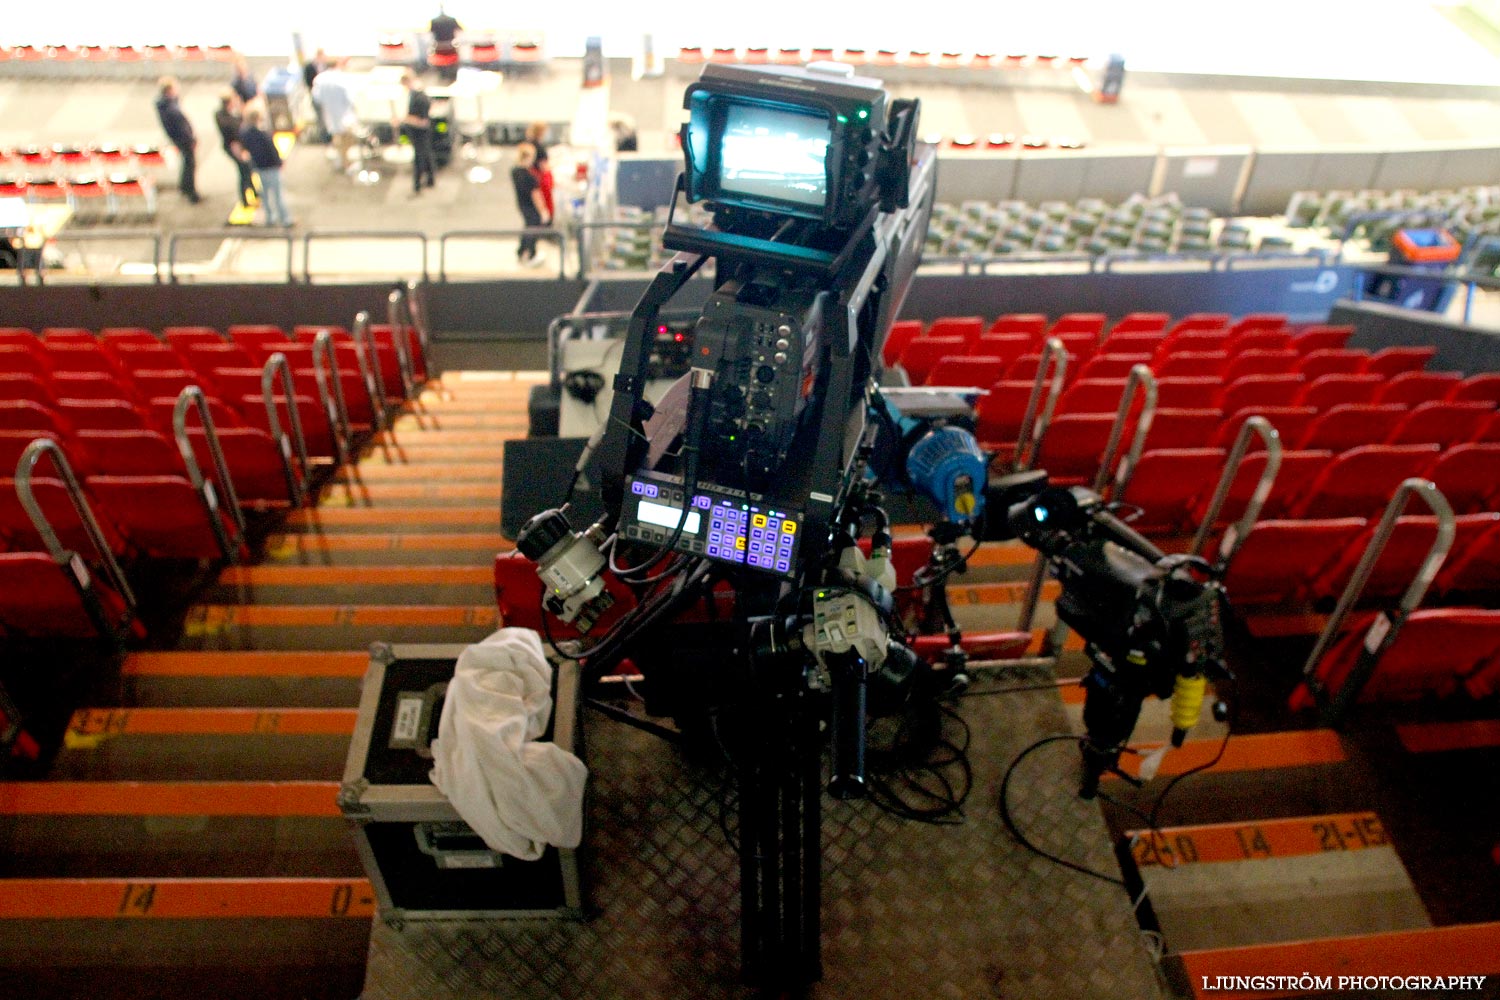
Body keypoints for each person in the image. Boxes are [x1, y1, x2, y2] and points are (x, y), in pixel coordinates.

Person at [239, 107, 291, 226]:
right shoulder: (263, 134)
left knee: (265, 194)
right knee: (278, 194)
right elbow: (272, 150)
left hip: (259, 167)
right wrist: (280, 163)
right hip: (271, 167)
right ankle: (285, 219)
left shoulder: (245, 133)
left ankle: (270, 217)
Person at [154, 77, 200, 203]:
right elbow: (182, 128)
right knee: (190, 164)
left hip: (177, 138)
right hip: (183, 140)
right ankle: (191, 192)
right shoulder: (171, 109)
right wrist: (192, 140)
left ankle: (184, 187)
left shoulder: (164, 104)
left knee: (186, 162)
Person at [312, 59, 359, 171]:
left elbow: (316, 98)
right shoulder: (342, 78)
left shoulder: (320, 79)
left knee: (337, 137)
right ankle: (346, 162)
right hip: (345, 114)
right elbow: (350, 98)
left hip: (329, 114)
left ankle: (340, 159)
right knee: (347, 138)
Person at [213, 91, 255, 209]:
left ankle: (254, 191)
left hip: (238, 146)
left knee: (249, 169)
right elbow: (235, 134)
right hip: (236, 148)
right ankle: (245, 200)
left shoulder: (223, 114)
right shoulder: (227, 119)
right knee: (244, 172)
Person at [511, 142, 550, 267]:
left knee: (528, 227)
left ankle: (521, 251)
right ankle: (530, 254)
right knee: (533, 228)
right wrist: (543, 210)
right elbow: (536, 195)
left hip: (522, 204)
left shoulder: (515, 172)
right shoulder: (529, 177)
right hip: (531, 205)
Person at [400, 72, 435, 194]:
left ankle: (417, 184)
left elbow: (423, 121)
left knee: (419, 158)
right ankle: (430, 179)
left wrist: (404, 119)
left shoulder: (420, 98)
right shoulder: (415, 95)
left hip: (420, 133)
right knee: (426, 156)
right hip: (417, 132)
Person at [524, 121, 555, 220]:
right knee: (545, 201)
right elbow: (544, 166)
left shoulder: (528, 143)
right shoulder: (539, 148)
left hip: (533, 176)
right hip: (541, 179)